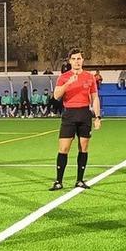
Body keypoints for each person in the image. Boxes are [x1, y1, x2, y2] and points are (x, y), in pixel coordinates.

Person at [50, 48, 101, 190]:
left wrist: (97, 117)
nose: (77, 61)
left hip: (84, 114)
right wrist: (68, 84)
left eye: (79, 58)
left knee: (83, 148)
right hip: (69, 115)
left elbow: (95, 98)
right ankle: (58, 181)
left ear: (82, 60)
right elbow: (56, 96)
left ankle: (79, 180)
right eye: (74, 59)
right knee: (64, 148)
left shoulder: (90, 77)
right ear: (70, 61)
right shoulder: (64, 77)